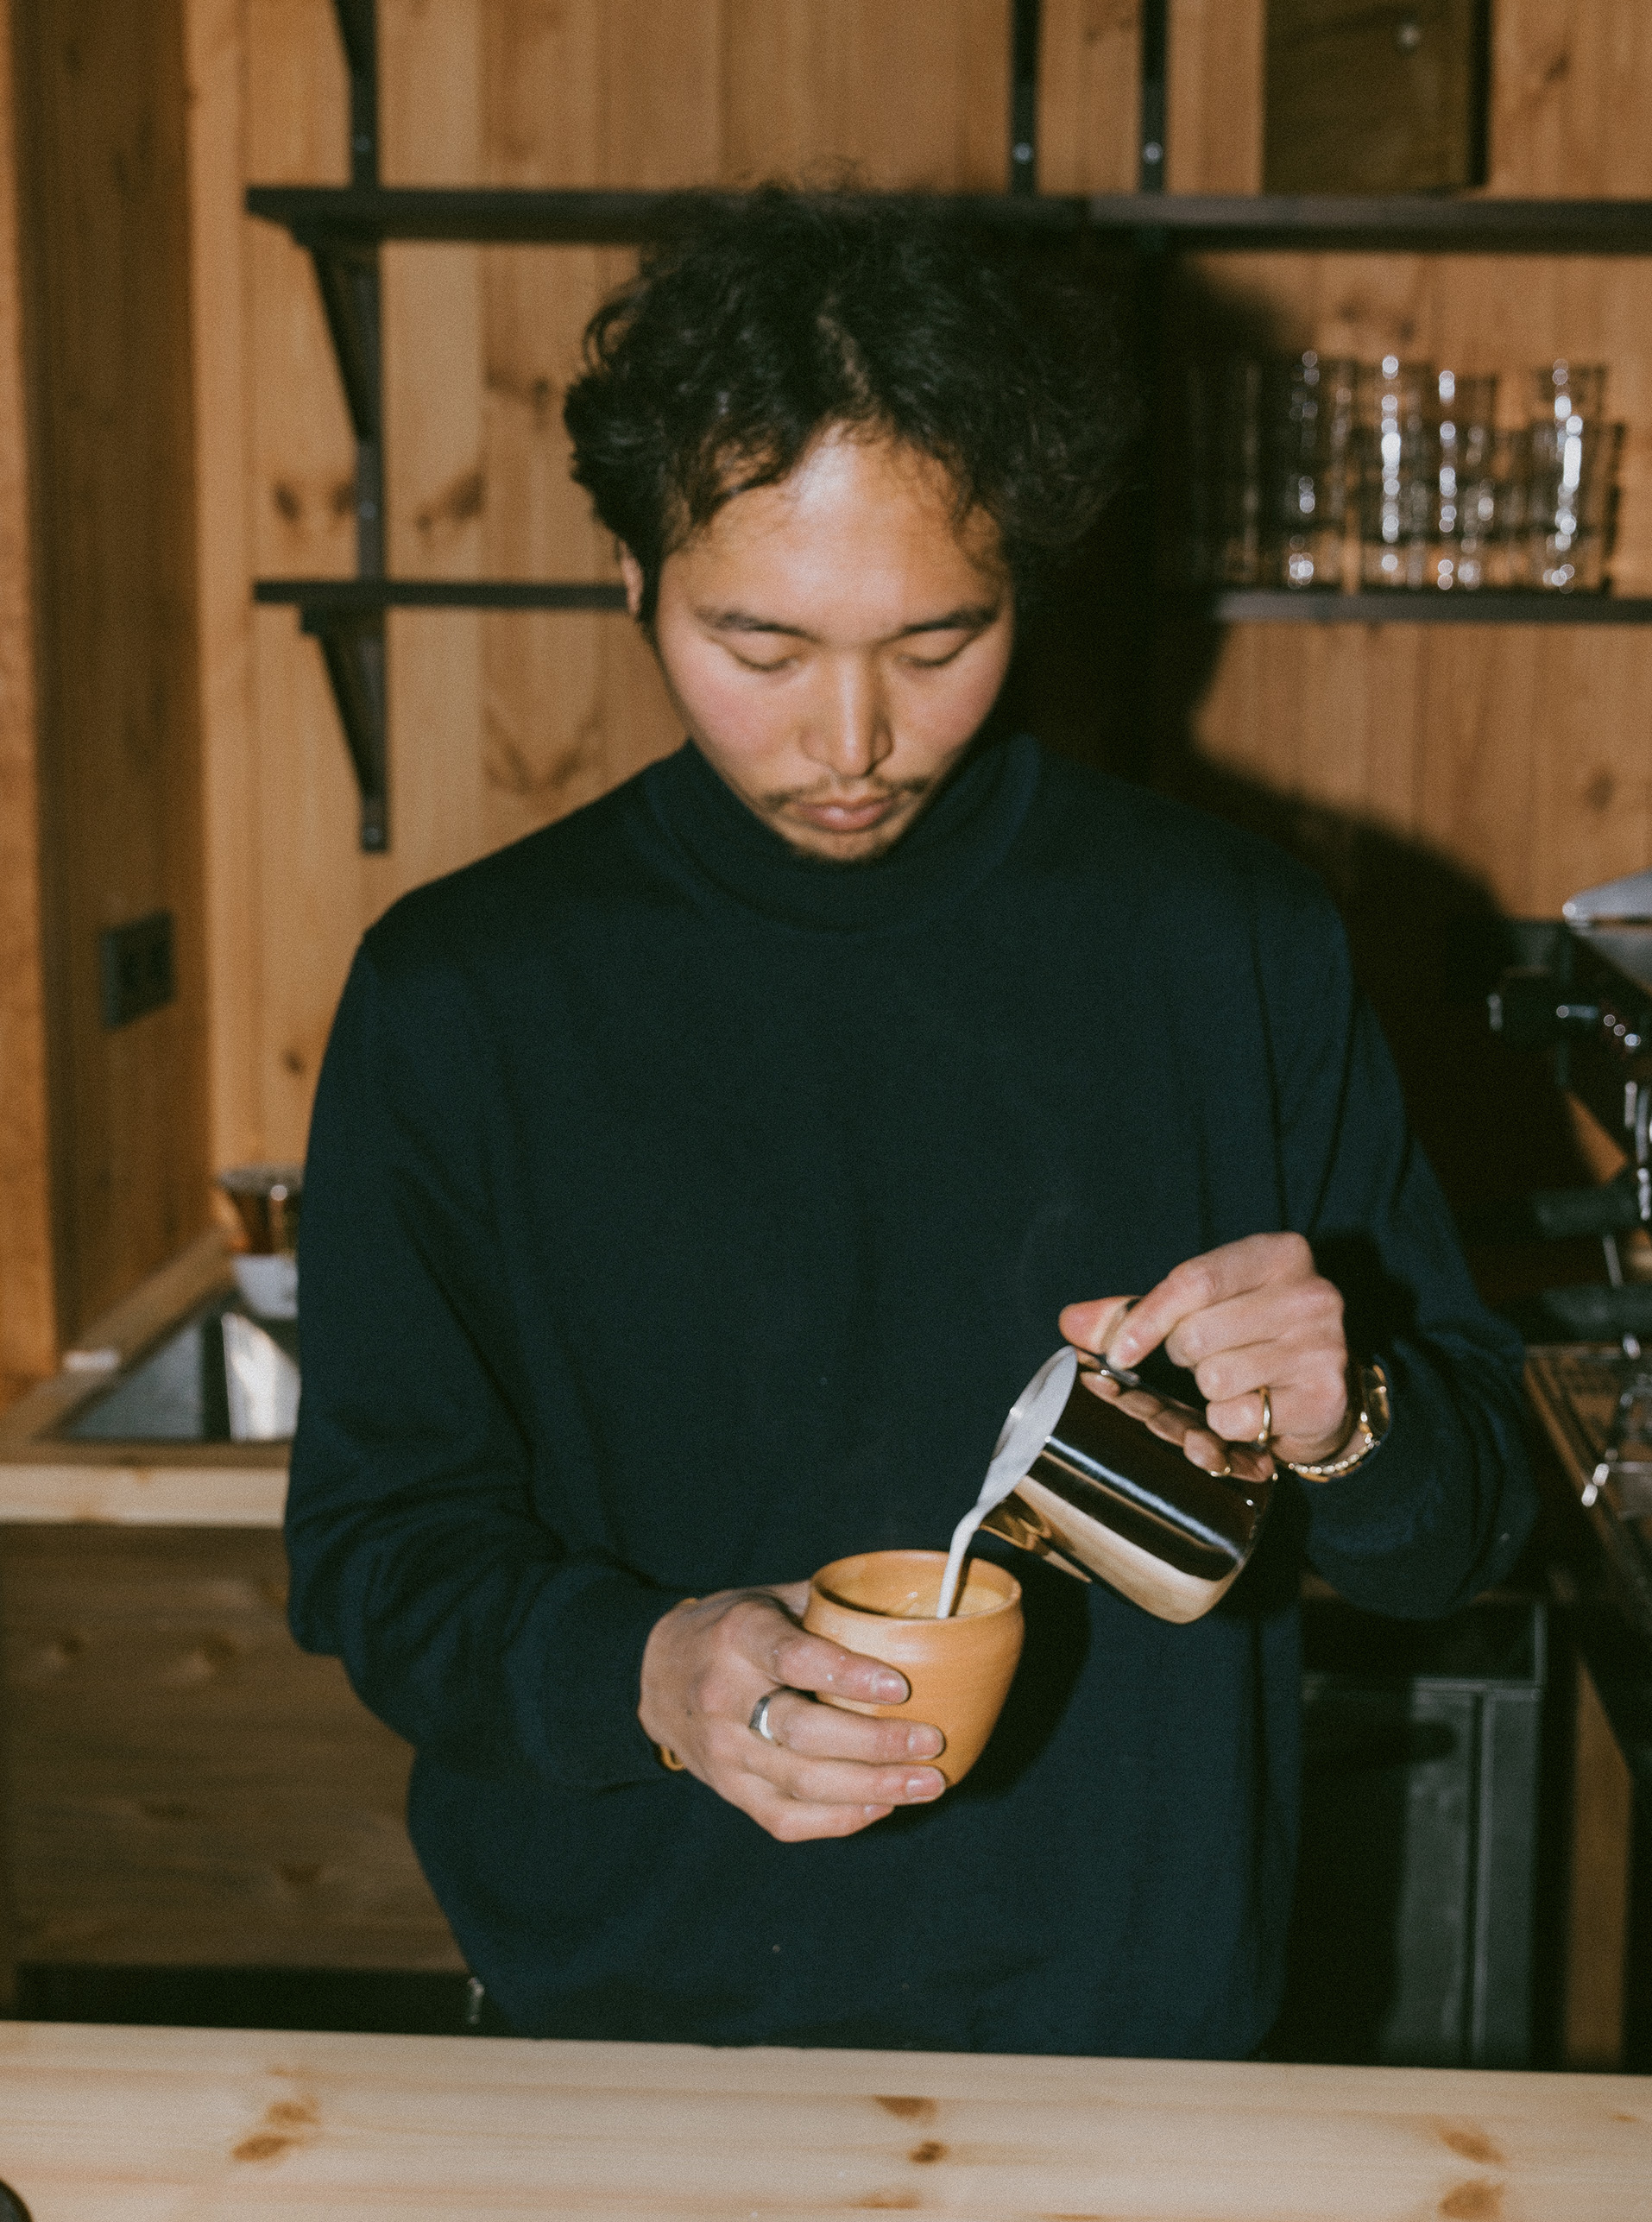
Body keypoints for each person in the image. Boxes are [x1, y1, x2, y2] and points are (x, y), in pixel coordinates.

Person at [286, 186, 1534, 2058]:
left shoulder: (1227, 943)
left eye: (940, 643)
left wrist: (1352, 1417)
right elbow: (376, 1551)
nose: (853, 738)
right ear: (630, 574)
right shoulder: (464, 993)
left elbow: (1463, 1529)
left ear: (1027, 581)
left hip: (1134, 2027)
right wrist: (649, 1669)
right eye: (762, 650)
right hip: (622, 2026)